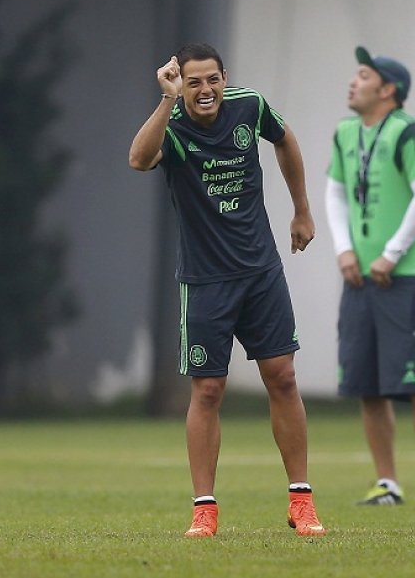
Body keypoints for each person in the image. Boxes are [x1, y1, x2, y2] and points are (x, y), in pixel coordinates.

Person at [128, 43, 325, 537]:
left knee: (282, 377)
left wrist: (301, 209)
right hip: (205, 281)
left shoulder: (249, 105)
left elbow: (286, 139)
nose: (205, 90)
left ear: (224, 77)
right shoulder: (172, 126)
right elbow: (138, 159)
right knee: (209, 389)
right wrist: (166, 99)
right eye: (193, 82)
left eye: (211, 79)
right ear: (181, 85)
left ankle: (301, 502)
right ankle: (204, 510)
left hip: (260, 272)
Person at [324, 47, 415, 506]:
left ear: (388, 89)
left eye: (363, 75)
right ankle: (387, 483)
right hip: (357, 278)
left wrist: (392, 254)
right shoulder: (344, 133)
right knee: (367, 384)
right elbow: (335, 192)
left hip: (405, 276)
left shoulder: (410, 132)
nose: (353, 82)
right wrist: (343, 250)